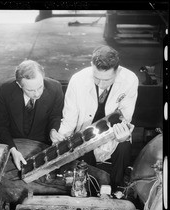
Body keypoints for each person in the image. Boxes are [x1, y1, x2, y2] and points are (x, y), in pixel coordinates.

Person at [51, 45, 139, 192]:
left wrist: (123, 135)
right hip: (85, 135)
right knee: (86, 167)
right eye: (97, 78)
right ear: (91, 66)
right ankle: (89, 194)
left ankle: (118, 192)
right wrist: (59, 142)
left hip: (113, 134)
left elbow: (125, 118)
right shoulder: (77, 80)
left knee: (124, 148)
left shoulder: (129, 80)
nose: (102, 84)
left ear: (117, 71)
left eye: (107, 80)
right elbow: (70, 118)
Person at [0, 59, 64, 170]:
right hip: (13, 141)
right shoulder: (4, 90)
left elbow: (55, 115)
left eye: (40, 87)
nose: (37, 93)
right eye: (30, 90)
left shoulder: (56, 88)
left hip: (42, 143)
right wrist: (12, 149)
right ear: (19, 85)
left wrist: (53, 130)